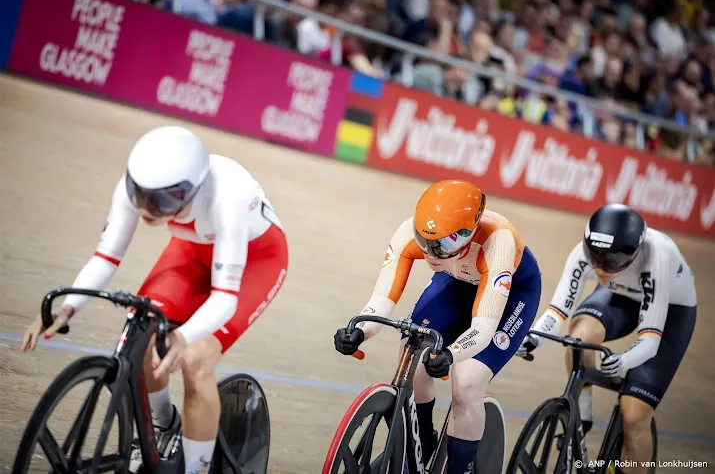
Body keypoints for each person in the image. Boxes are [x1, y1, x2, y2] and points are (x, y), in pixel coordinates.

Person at [19, 126, 289, 474]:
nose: (148, 209)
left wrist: (182, 336)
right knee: (142, 330)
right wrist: (68, 305)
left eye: (163, 200)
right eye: (141, 195)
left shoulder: (227, 197)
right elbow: (106, 257)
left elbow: (225, 298)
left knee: (195, 359)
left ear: (192, 190)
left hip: (257, 260)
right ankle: (163, 427)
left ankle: (197, 469)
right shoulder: (136, 188)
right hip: (192, 252)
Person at [334, 179, 542, 473]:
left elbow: (483, 328)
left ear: (468, 234)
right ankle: (424, 440)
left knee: (467, 383)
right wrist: (360, 330)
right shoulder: (414, 233)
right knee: (412, 353)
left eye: (443, 245)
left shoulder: (499, 242)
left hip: (511, 294)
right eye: (425, 242)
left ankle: (461, 468)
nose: (431, 254)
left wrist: (452, 354)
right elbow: (382, 299)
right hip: (457, 279)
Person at [517, 204, 697, 474]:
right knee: (578, 338)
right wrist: (533, 339)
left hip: (671, 310)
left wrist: (624, 361)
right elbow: (558, 309)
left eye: (611, 262)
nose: (600, 267)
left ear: (633, 254)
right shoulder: (586, 255)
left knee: (634, 416)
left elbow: (650, 340)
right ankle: (582, 415)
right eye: (595, 257)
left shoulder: (657, 255)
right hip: (620, 295)